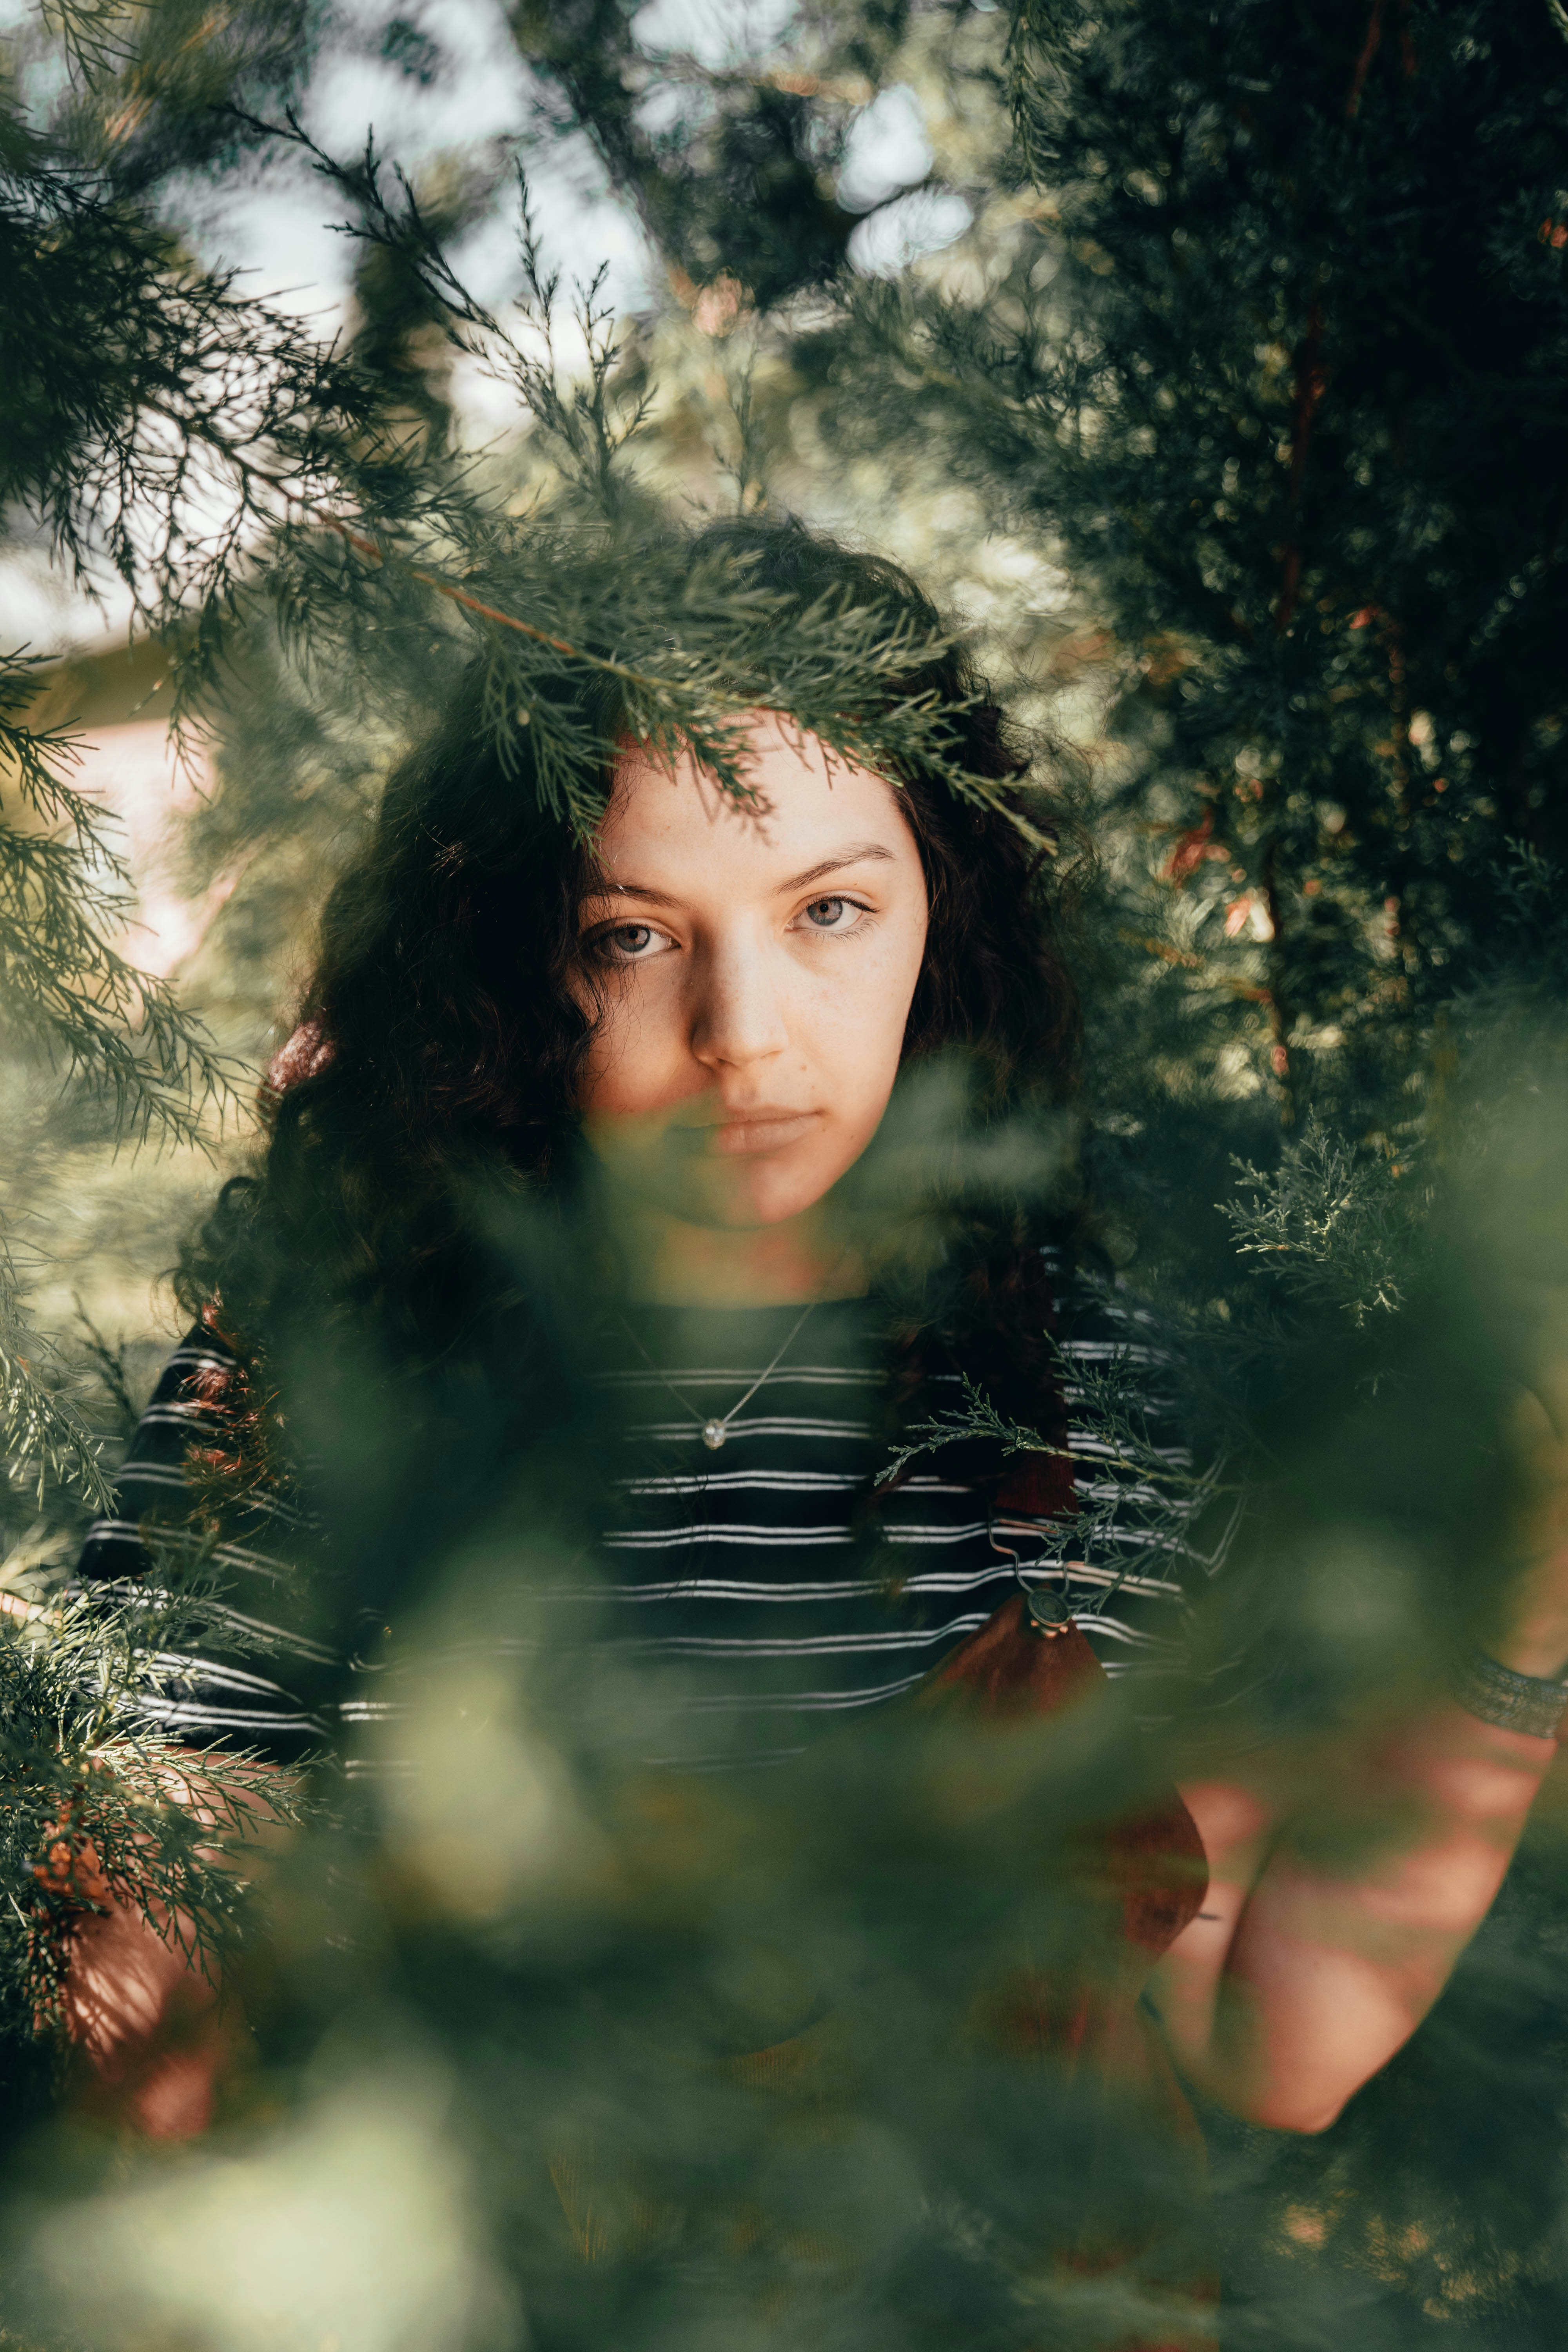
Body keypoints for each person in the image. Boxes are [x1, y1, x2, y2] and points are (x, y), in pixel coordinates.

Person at [70, 519, 1568, 2324]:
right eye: (634, 935)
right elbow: (149, 2046)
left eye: (830, 910)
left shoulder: (1093, 1399)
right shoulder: (335, 1393)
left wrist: (1529, 1599)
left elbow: (1274, 2048)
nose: (742, 1035)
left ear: (944, 909)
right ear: (515, 957)